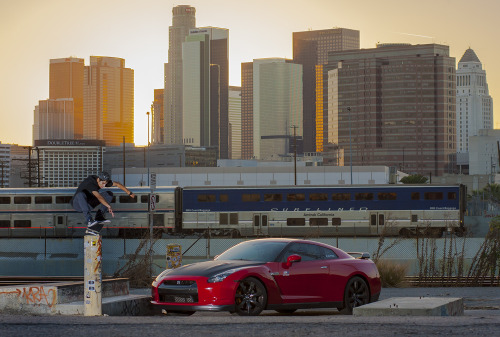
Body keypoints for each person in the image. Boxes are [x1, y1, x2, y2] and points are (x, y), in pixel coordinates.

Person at [70, 171, 135, 234]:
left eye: (105, 184)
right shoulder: (90, 182)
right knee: (81, 194)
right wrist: (108, 206)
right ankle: (89, 219)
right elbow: (99, 197)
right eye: (103, 183)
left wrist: (129, 192)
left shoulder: (103, 181)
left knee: (109, 194)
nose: (104, 186)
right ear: (98, 180)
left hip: (89, 204)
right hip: (78, 204)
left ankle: (99, 216)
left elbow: (117, 184)